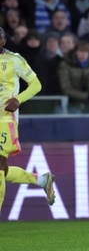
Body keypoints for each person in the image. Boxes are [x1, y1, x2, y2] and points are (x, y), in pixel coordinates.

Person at [0, 27, 55, 213]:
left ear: (4, 41)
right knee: (3, 170)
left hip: (5, 119)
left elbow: (36, 84)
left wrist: (18, 99)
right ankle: (42, 180)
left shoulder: (14, 60)